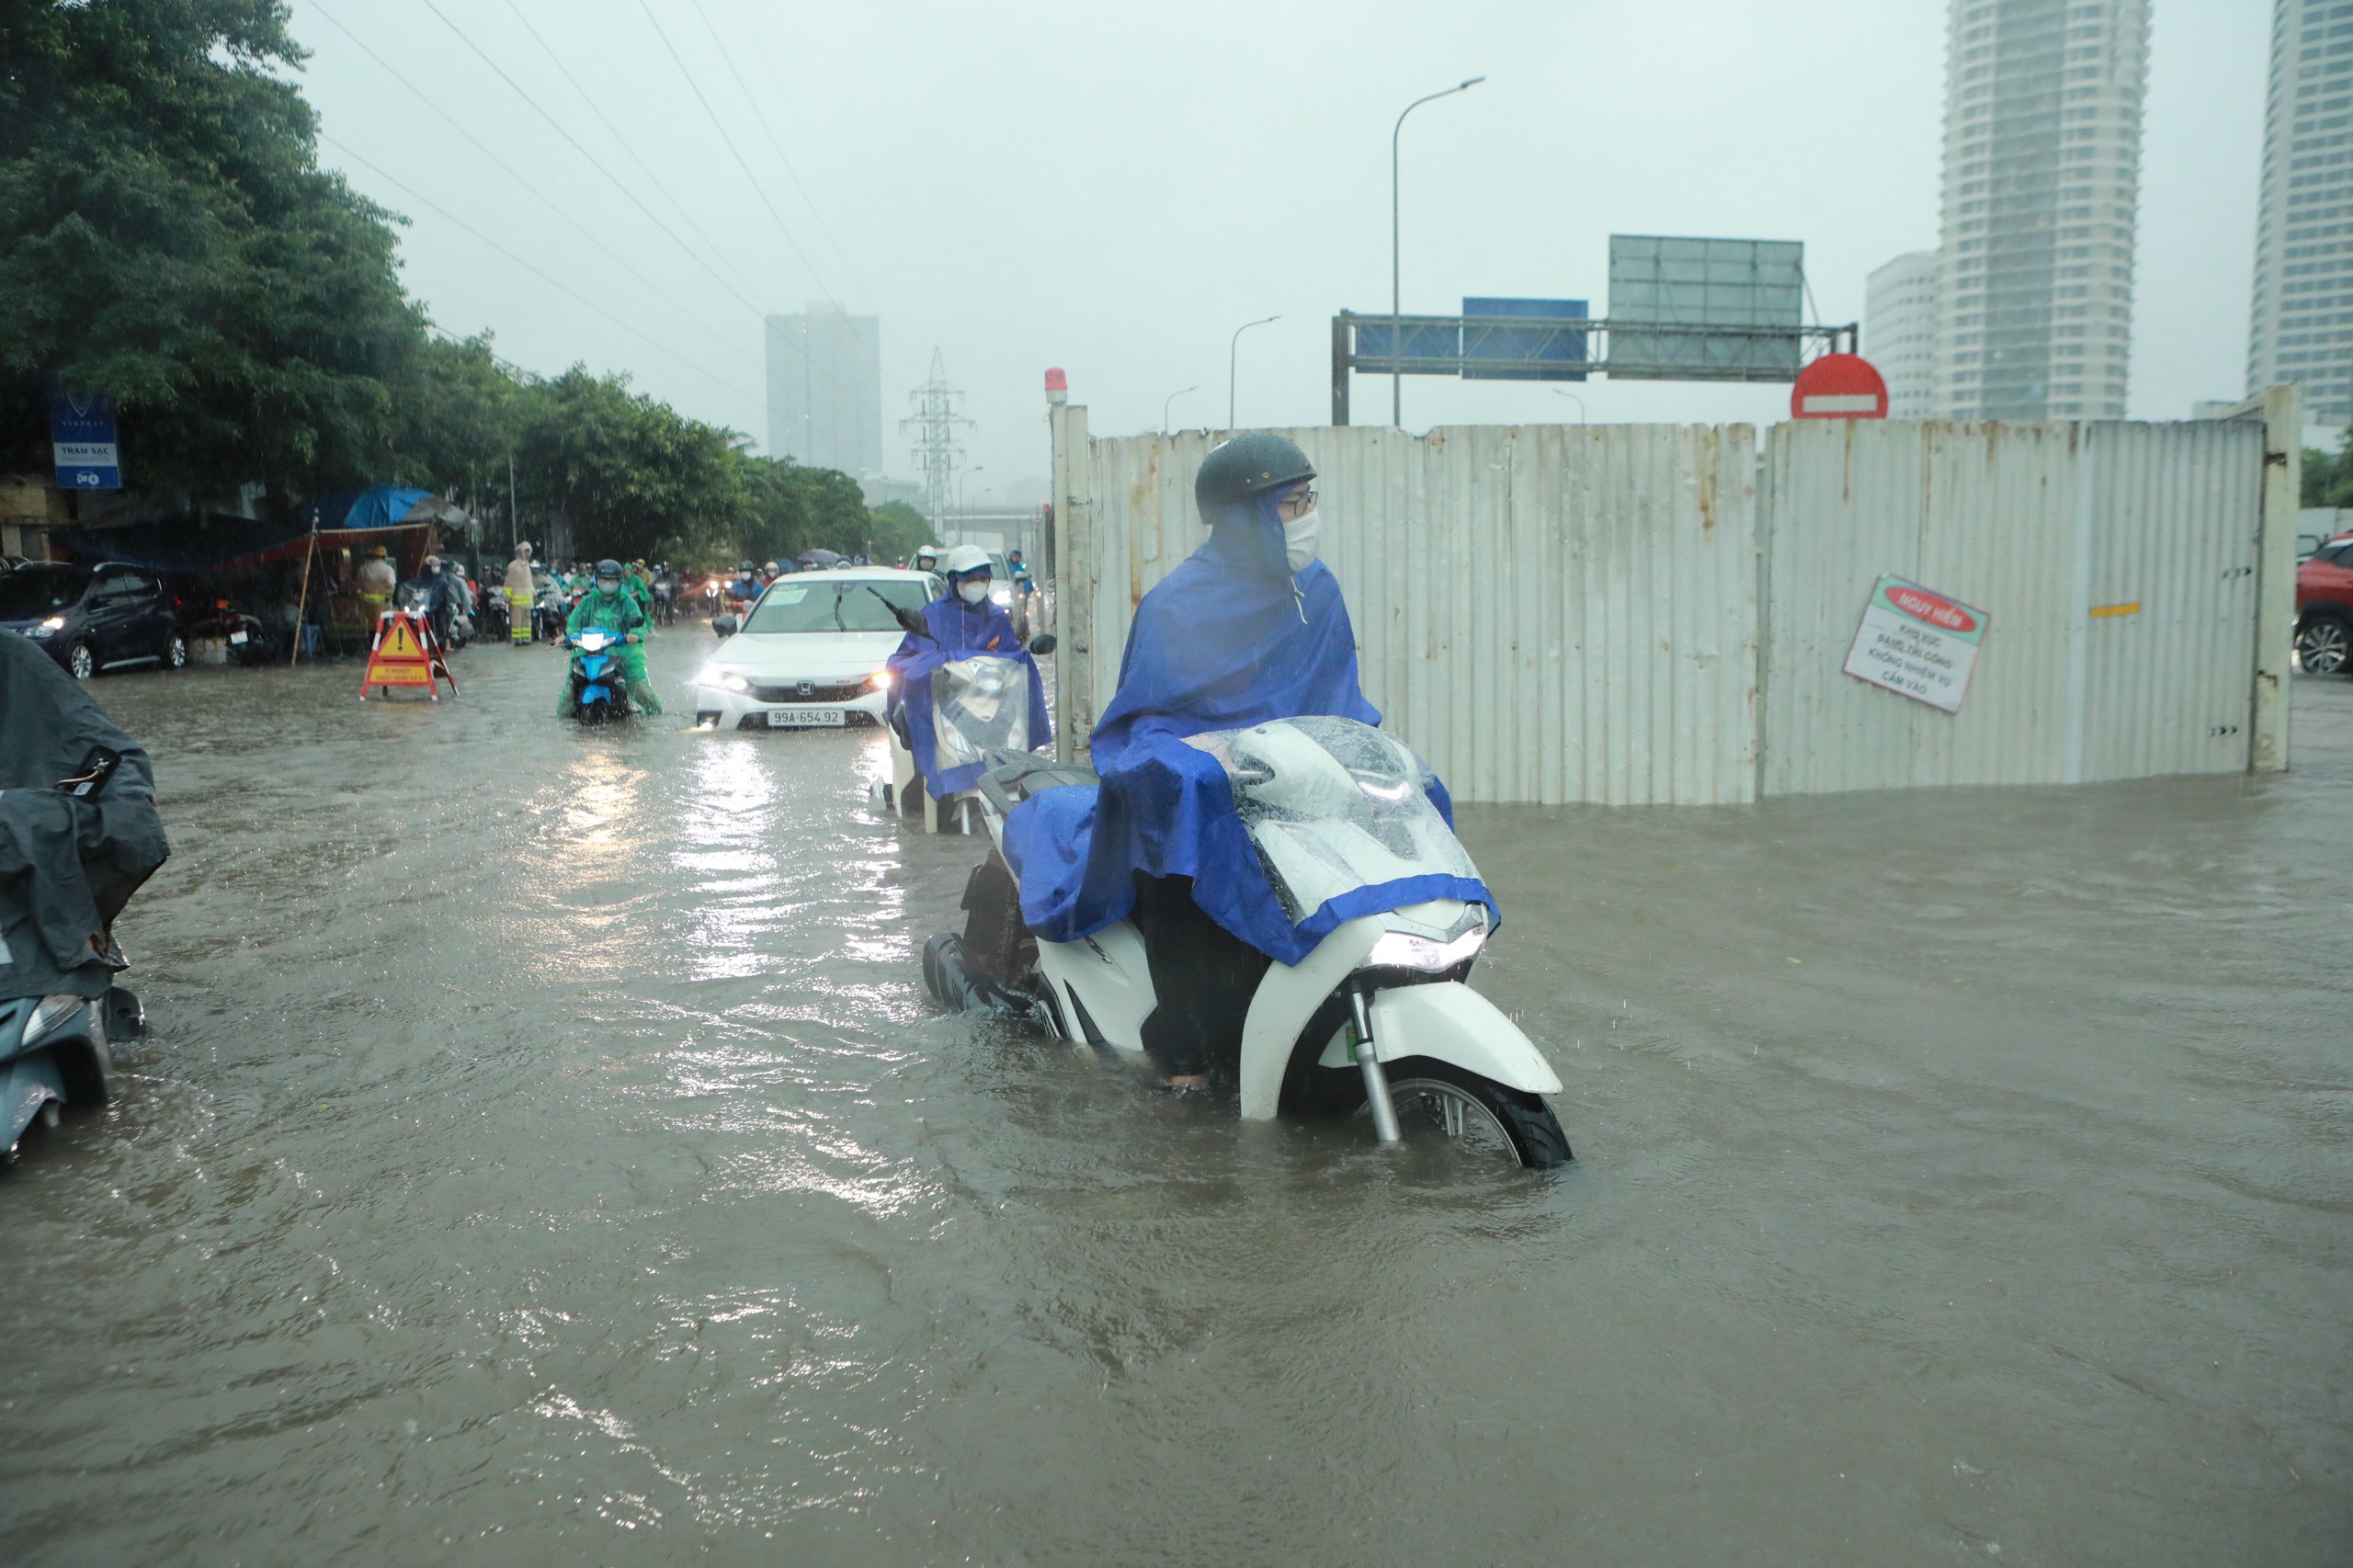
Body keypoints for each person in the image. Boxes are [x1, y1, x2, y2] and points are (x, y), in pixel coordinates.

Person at [997, 434, 1478, 1091]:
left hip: (1291, 773)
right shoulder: (1176, 605)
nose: (1307, 517)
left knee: (1421, 794)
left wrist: (1374, 765)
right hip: (1207, 777)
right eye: (1291, 504)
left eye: (1310, 500)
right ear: (1246, 516)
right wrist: (1193, 764)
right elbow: (1143, 723)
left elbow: (1339, 706)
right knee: (1184, 821)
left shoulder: (1317, 591)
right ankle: (1185, 1053)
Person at [559, 559, 662, 715]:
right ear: (596, 580)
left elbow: (639, 624)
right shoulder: (587, 603)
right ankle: (563, 721)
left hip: (622, 653)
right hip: (589, 653)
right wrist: (567, 637)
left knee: (643, 691)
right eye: (603, 579)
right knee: (569, 691)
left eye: (611, 580)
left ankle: (657, 716)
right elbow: (573, 625)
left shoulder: (627, 602)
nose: (607, 583)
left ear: (619, 581)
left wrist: (634, 635)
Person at [504, 541, 537, 646]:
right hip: (516, 600)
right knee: (516, 620)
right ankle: (517, 639)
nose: (528, 554)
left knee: (527, 620)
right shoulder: (513, 566)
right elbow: (508, 582)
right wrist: (507, 596)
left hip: (528, 599)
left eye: (529, 551)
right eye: (526, 551)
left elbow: (529, 582)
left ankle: (526, 638)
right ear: (520, 552)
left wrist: (533, 592)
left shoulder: (527, 566)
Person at [356, 544, 397, 624]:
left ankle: (371, 636)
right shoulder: (388, 570)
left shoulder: (363, 568)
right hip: (381, 603)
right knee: (381, 625)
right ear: (385, 556)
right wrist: (388, 598)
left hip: (366, 603)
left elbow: (359, 585)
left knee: (369, 624)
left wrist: (361, 598)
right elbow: (391, 586)